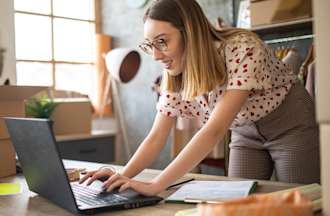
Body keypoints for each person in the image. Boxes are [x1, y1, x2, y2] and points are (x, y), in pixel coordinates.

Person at [80, 0, 320, 196]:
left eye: (162, 42)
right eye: (150, 45)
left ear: (191, 33)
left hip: (290, 125)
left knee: (301, 200)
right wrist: (124, 175)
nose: (155, 55)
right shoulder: (174, 72)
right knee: (237, 202)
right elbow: (157, 136)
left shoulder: (243, 48)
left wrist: (155, 185)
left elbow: (214, 130)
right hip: (245, 133)